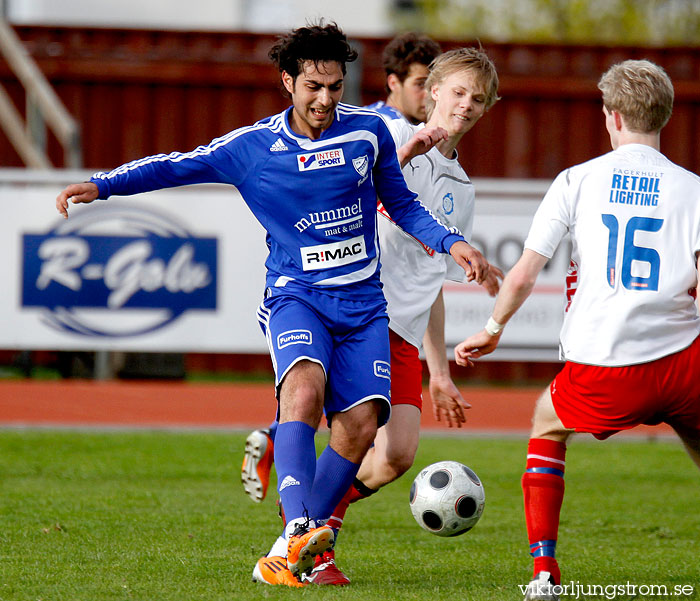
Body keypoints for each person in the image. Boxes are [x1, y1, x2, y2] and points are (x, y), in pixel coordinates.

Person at [56, 22, 489, 588]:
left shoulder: (368, 133)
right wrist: (103, 185)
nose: (325, 99)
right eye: (313, 85)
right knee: (303, 395)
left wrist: (454, 243)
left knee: (360, 427)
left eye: (334, 86)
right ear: (288, 82)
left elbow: (402, 203)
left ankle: (298, 550)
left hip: (362, 305)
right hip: (296, 297)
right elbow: (176, 164)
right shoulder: (252, 147)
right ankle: (299, 535)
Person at [241, 44, 502, 586]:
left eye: (477, 99)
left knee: (397, 455)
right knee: (336, 418)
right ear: (432, 92)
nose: (466, 105)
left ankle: (301, 510)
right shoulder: (388, 140)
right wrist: (410, 153)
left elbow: (433, 285)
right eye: (457, 93)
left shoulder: (463, 188)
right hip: (361, 311)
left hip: (404, 330)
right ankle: (307, 536)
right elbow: (364, 197)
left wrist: (440, 372)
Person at [453, 59, 700, 601]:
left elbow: (523, 273)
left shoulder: (578, 180)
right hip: (684, 359)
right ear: (666, 116)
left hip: (606, 361)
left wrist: (493, 327)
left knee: (546, 424)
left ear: (611, 116)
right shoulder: (694, 190)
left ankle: (544, 573)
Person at [365, 32, 442, 125]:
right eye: (420, 84)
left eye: (434, 85)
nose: (430, 94)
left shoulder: (367, 115)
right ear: (393, 83)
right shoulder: (387, 127)